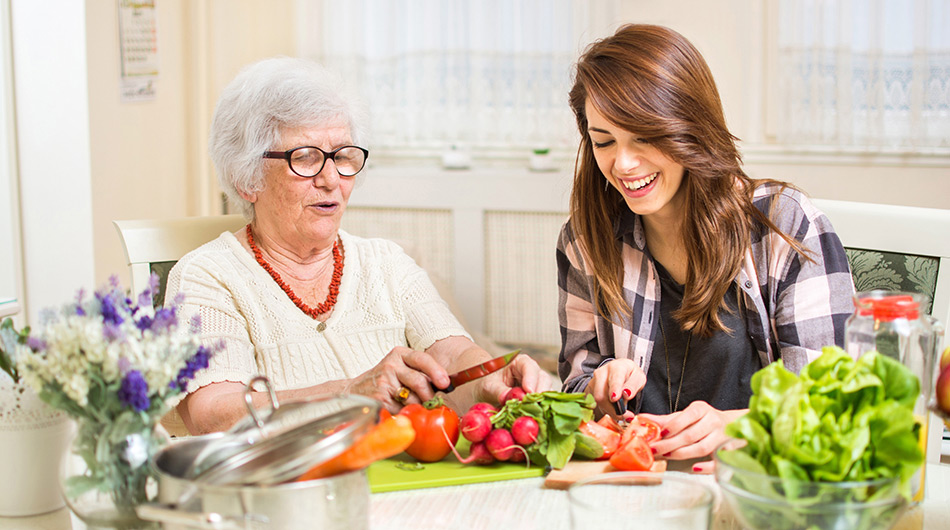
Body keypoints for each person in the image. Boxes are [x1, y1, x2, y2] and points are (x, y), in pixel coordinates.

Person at [167, 56, 552, 434]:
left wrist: (488, 377)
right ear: (246, 178)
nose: (332, 179)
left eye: (343, 156)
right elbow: (213, 414)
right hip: (290, 489)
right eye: (305, 157)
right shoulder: (206, 277)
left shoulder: (386, 262)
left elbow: (451, 353)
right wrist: (350, 392)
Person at [557, 25, 854, 468]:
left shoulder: (783, 224)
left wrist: (742, 428)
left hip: (754, 485)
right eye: (604, 141)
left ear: (688, 126)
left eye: (643, 136)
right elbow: (575, 386)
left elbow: (832, 403)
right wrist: (599, 386)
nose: (623, 163)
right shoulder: (584, 240)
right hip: (636, 487)